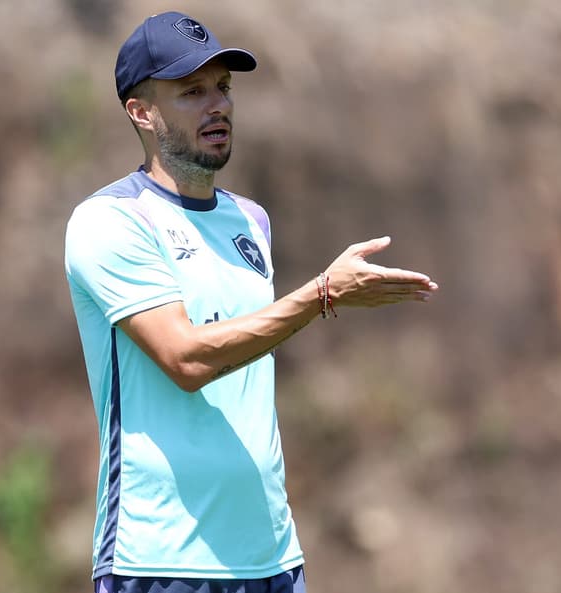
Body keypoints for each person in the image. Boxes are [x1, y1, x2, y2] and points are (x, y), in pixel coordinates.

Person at [64, 11, 438, 593]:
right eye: (193, 92)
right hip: (163, 561)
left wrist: (320, 298)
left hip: (271, 558)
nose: (219, 105)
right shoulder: (109, 222)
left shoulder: (251, 220)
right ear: (141, 112)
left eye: (224, 88)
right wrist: (320, 297)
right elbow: (186, 360)